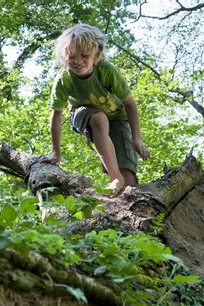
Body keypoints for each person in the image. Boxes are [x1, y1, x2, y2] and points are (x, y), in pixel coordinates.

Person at [40, 23, 150, 196]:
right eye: (72, 56)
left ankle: (125, 200)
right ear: (64, 57)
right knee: (98, 118)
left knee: (129, 179)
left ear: (96, 55)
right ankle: (115, 177)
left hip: (117, 118)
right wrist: (56, 153)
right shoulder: (64, 79)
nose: (78, 61)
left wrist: (137, 139)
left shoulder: (107, 71)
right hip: (82, 114)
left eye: (85, 55)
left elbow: (130, 103)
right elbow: (57, 116)